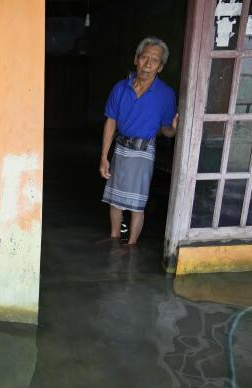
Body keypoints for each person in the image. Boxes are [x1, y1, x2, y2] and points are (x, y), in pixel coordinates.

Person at [99, 37, 178, 245]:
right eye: (144, 58)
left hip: (143, 152)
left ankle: (131, 245)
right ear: (136, 59)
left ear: (160, 67)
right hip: (121, 148)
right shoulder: (120, 88)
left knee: (136, 203)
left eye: (154, 60)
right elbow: (111, 121)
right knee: (114, 199)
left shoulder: (166, 94)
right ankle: (114, 236)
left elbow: (167, 131)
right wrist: (104, 156)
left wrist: (173, 129)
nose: (148, 64)